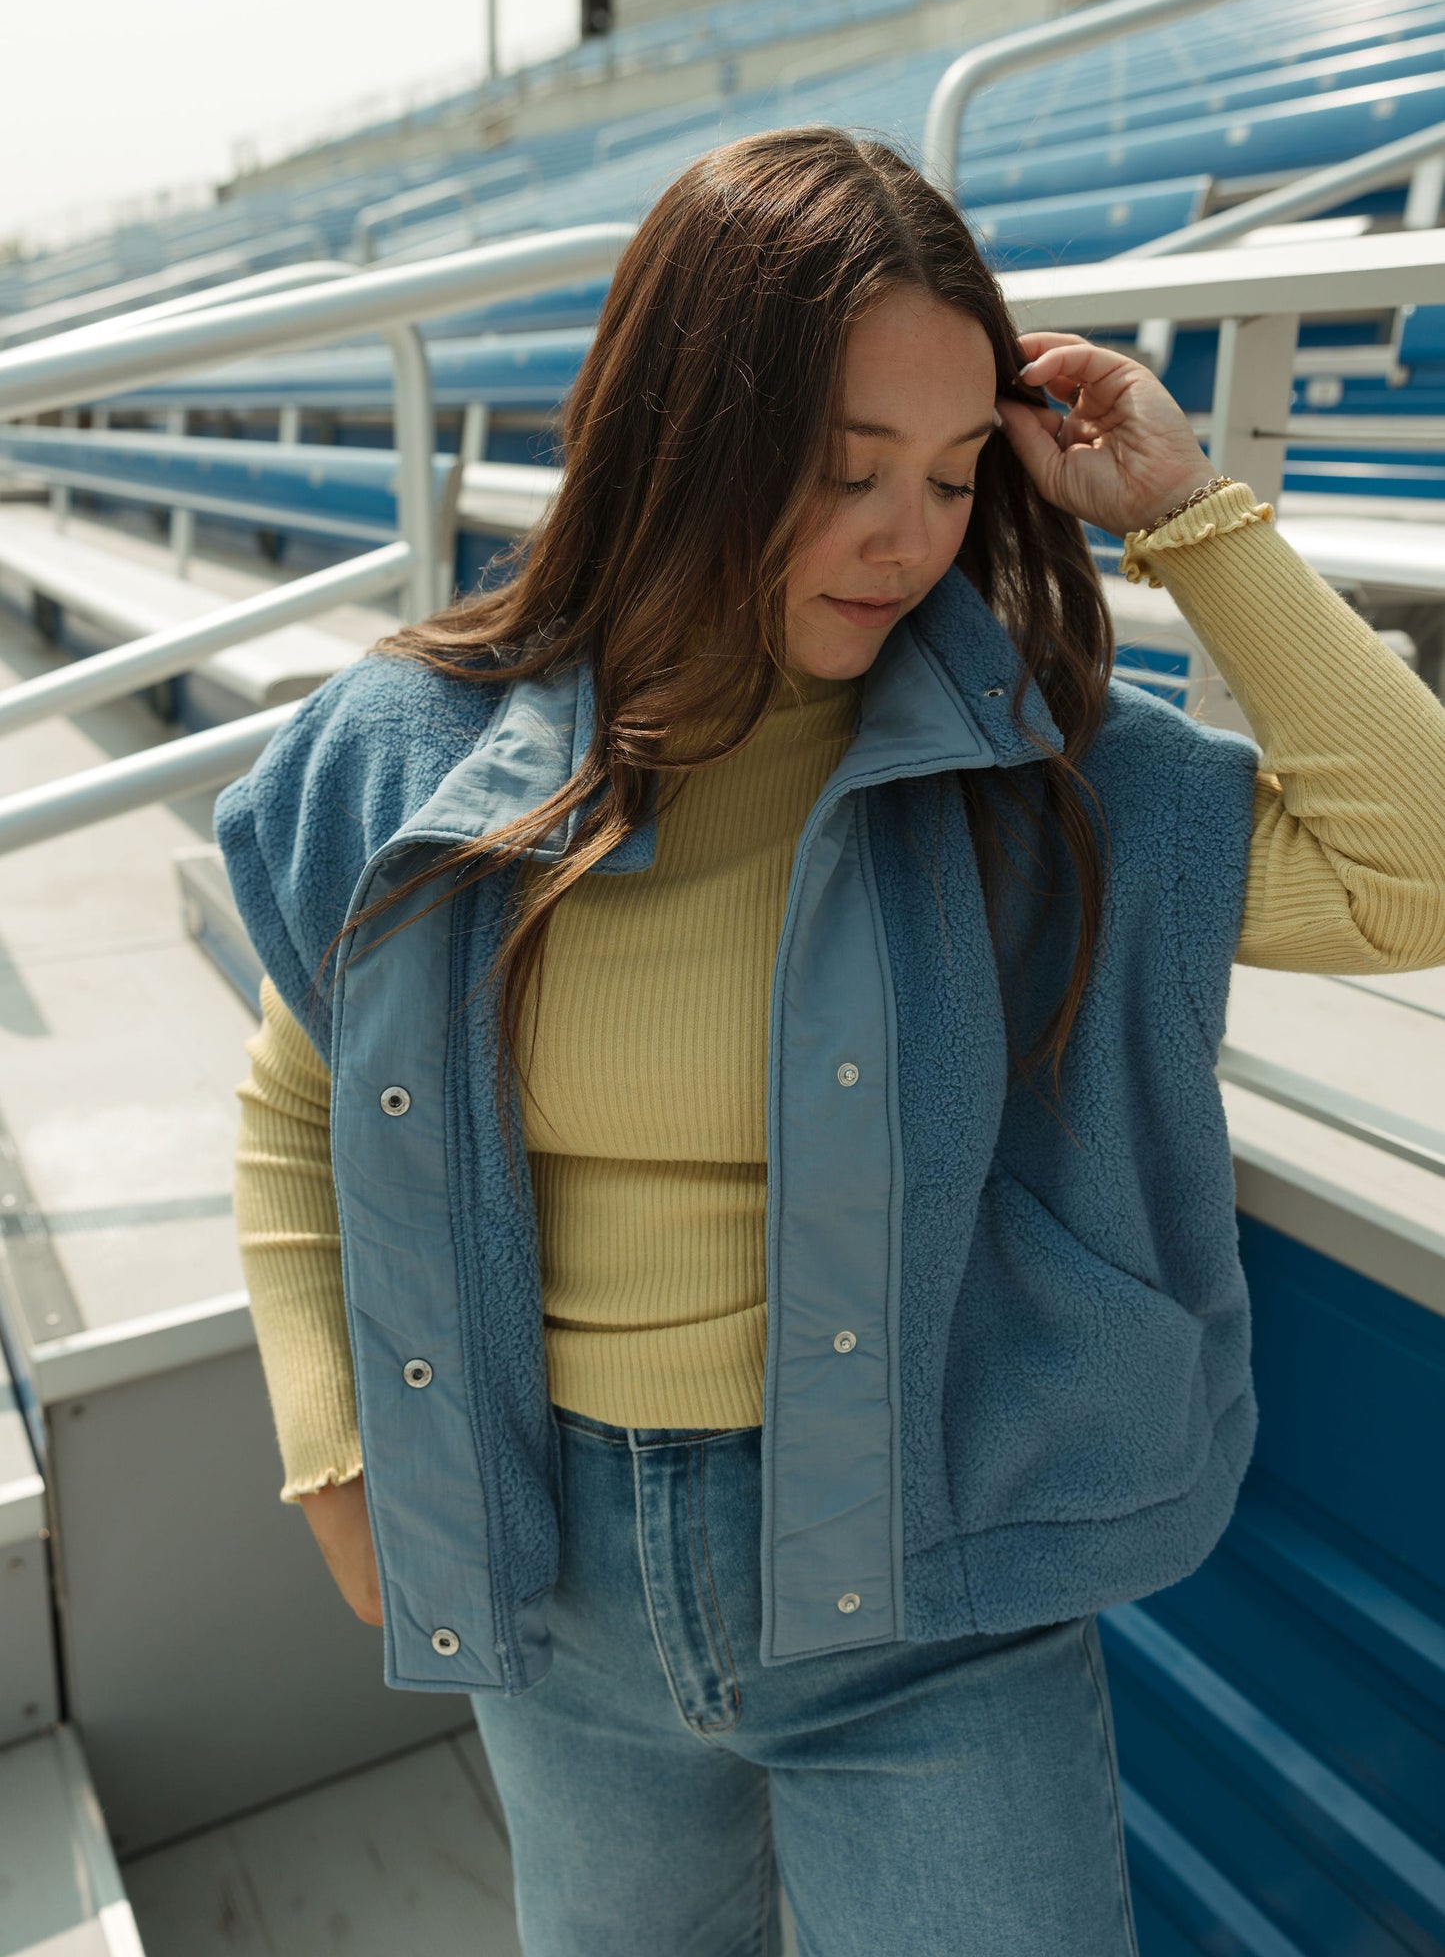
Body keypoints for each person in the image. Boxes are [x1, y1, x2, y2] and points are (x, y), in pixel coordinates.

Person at [215, 127, 1445, 1957]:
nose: (908, 536)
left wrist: (1190, 518)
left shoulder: (1030, 778)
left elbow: (1410, 876)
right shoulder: (401, 753)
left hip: (931, 1593)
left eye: (952, 477)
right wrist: (330, 1451)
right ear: (676, 435)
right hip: (551, 1579)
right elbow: (300, 1105)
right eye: (844, 468)